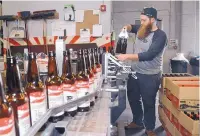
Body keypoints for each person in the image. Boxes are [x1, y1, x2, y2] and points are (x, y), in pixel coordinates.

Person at [116, 7, 167, 136]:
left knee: (148, 102)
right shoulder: (142, 28)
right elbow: (131, 26)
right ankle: (138, 121)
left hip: (150, 75)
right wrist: (125, 28)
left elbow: (149, 55)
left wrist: (126, 56)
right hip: (135, 72)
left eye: (144, 20)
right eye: (141, 19)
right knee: (133, 98)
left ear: (153, 20)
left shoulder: (160, 36)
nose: (141, 22)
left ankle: (149, 128)